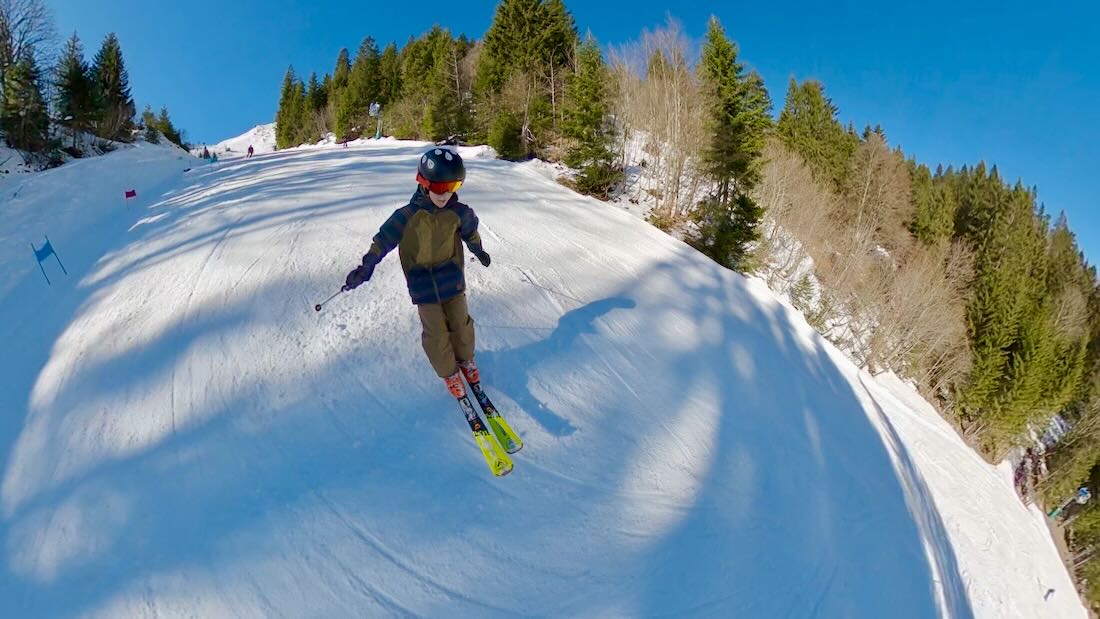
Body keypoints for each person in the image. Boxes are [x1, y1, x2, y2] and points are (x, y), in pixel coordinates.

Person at [344, 148, 491, 400]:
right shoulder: (406, 216)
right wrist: (367, 265)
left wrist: (479, 251)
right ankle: (449, 372)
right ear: (424, 182)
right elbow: (382, 241)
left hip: (452, 278)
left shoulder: (459, 212)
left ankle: (466, 361)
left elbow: (470, 233)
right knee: (436, 333)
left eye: (453, 185)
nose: (445, 194)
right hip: (422, 285)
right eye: (440, 186)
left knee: (461, 324)